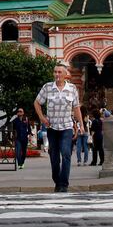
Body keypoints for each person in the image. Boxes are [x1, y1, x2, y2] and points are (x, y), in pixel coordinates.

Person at [35, 63, 83, 193]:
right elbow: (37, 102)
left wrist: (81, 125)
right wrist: (42, 118)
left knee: (66, 153)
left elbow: (76, 108)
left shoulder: (72, 88)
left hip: (66, 127)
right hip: (52, 128)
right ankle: (57, 180)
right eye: (55, 72)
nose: (57, 74)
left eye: (59, 72)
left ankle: (63, 184)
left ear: (65, 74)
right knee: (54, 157)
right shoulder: (47, 87)